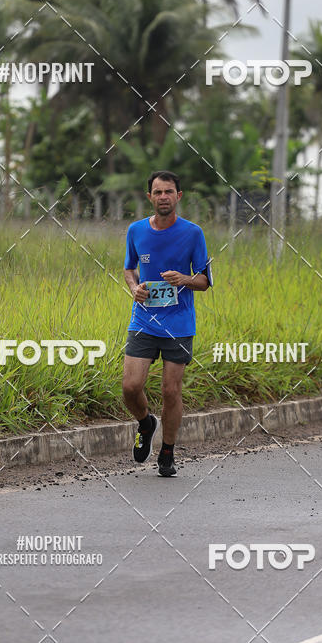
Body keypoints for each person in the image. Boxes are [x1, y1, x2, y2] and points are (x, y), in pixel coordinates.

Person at [122, 171, 212, 476]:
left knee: (171, 391)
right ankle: (146, 423)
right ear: (149, 197)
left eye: (169, 192)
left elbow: (204, 281)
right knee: (130, 387)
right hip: (144, 320)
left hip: (179, 323)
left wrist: (184, 279)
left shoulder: (193, 233)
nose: (163, 197)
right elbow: (129, 269)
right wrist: (134, 288)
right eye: (158, 192)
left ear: (178, 196)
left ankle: (168, 451)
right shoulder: (135, 230)